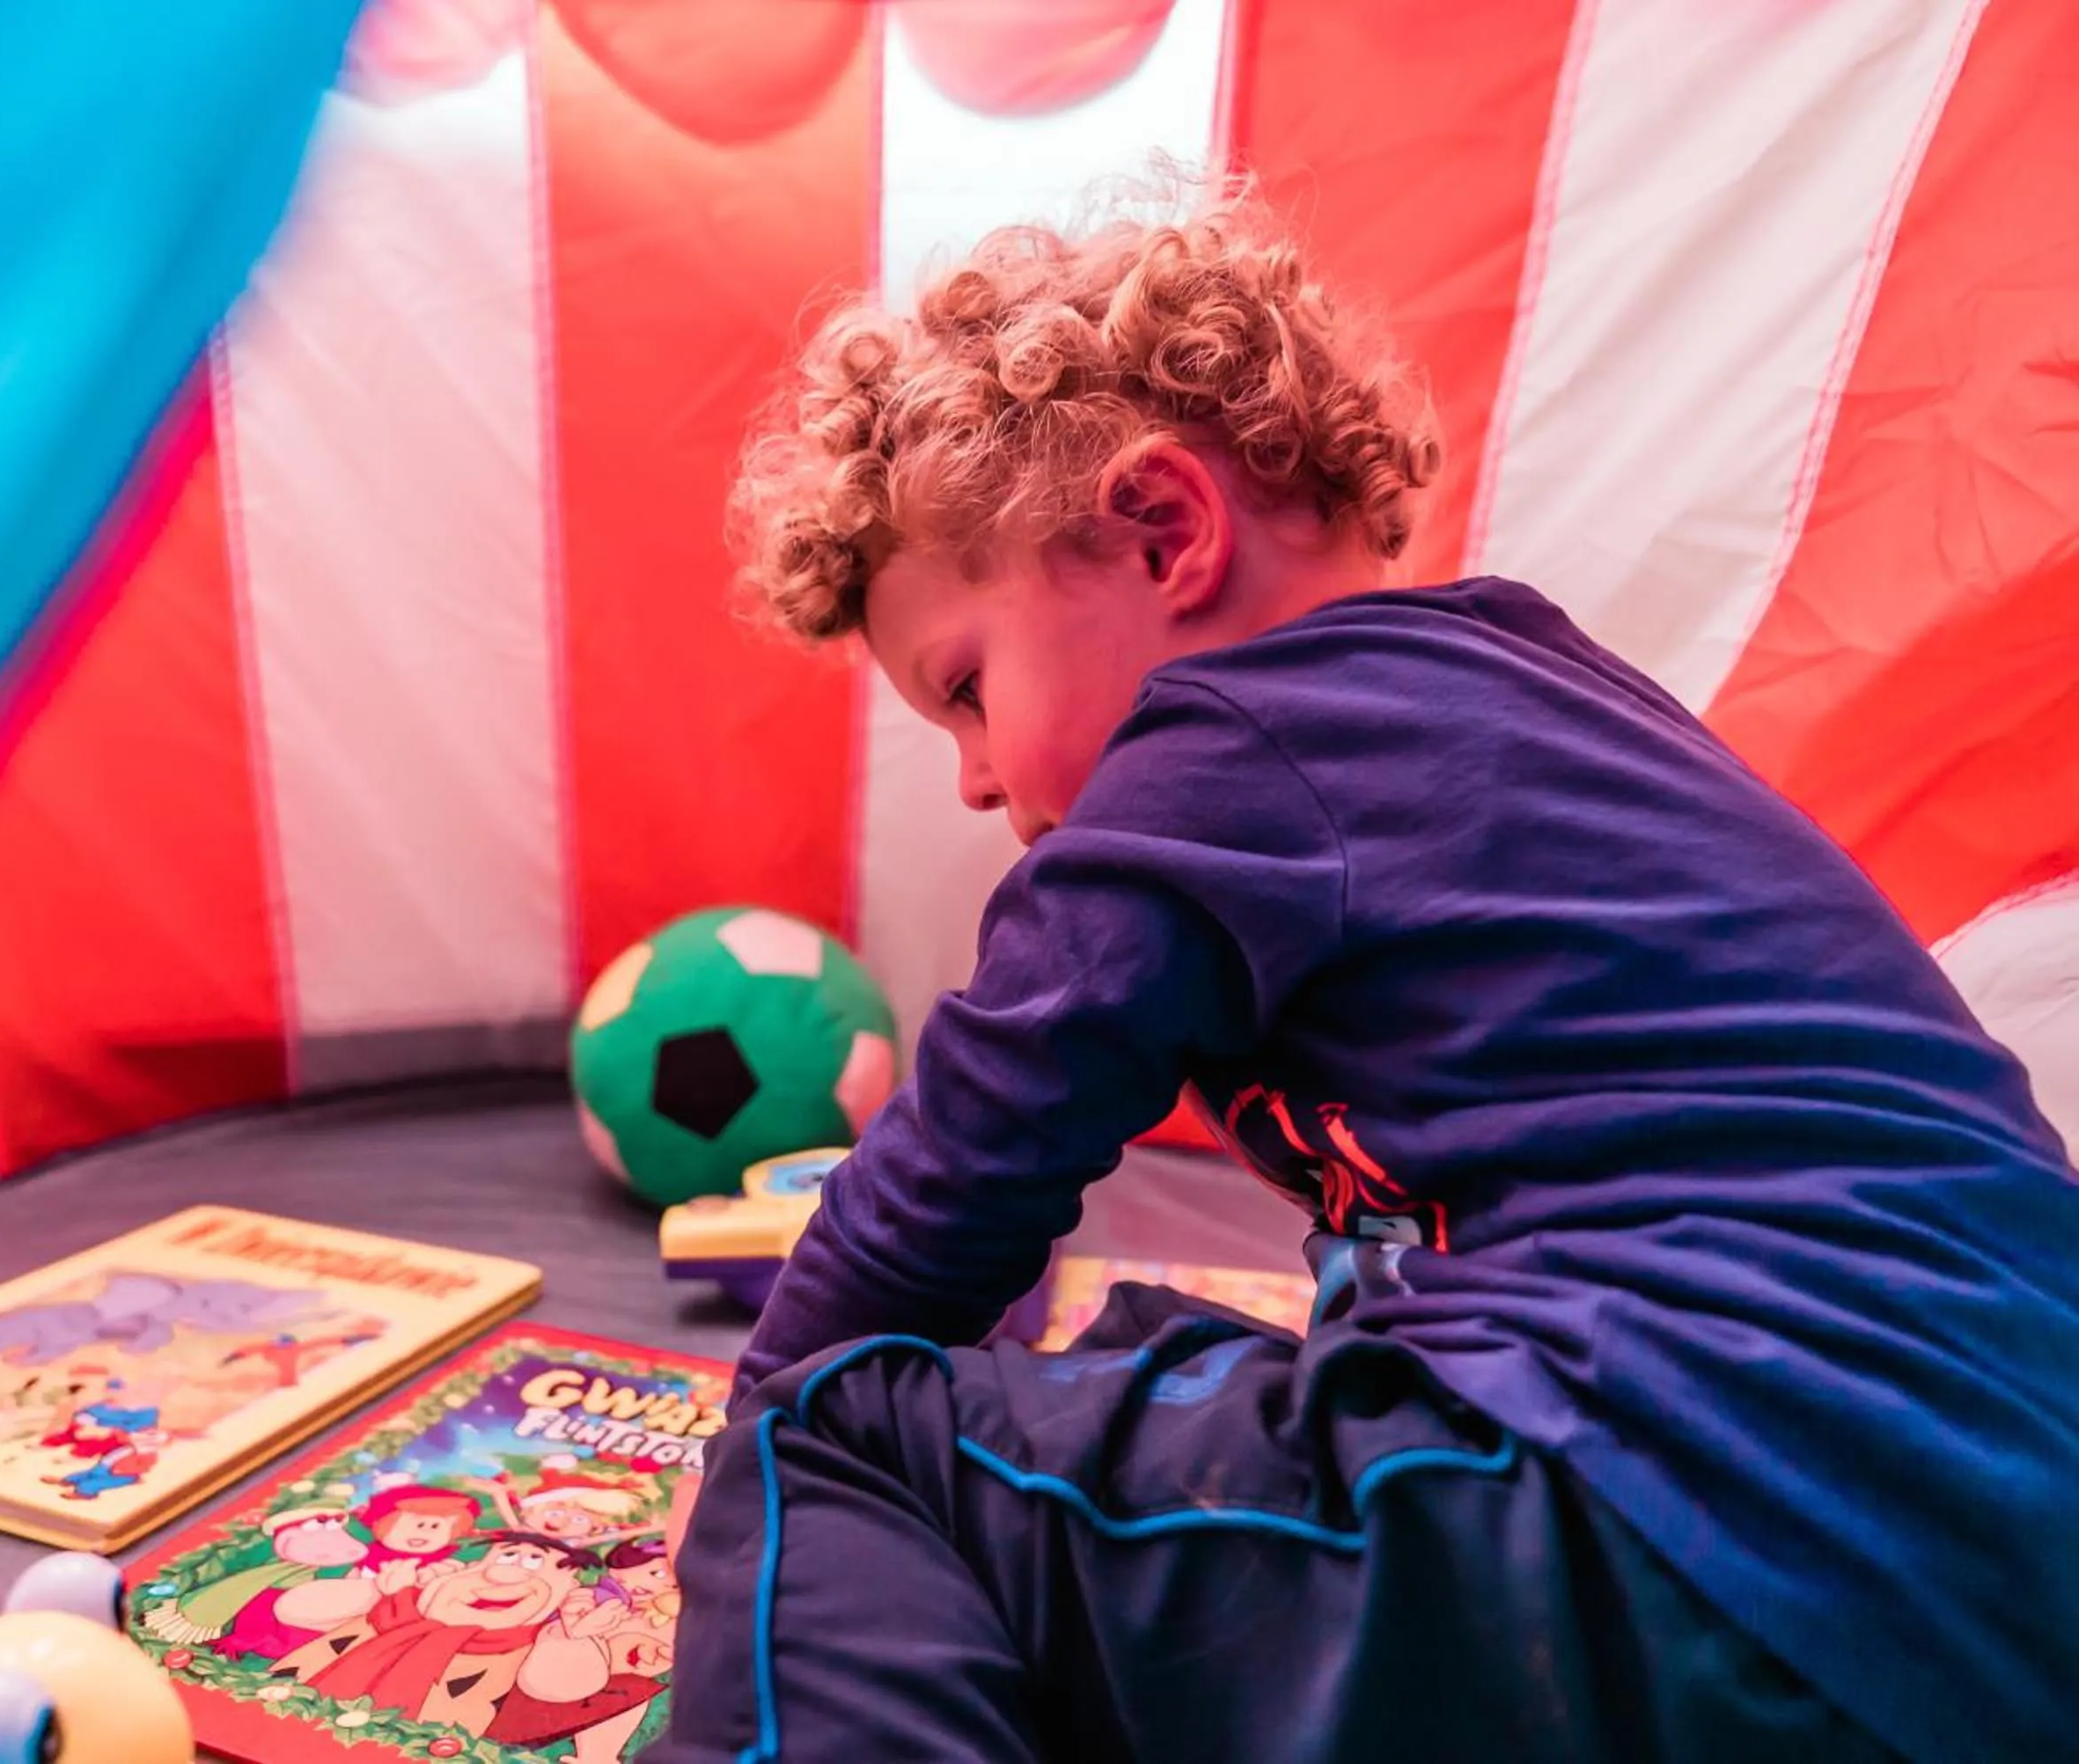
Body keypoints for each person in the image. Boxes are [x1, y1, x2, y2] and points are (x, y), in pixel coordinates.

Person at [650, 167, 2079, 1764]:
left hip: (1686, 1484)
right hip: (1990, 1567)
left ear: (1164, 528)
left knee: (835, 1452)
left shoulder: (1234, 744)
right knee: (1169, 1380)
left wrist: (756, 1434)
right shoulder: (1529, 689)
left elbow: (956, 1170)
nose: (978, 781)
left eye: (968, 688)